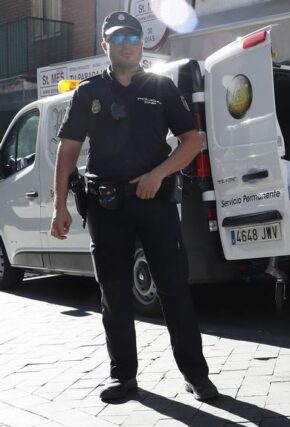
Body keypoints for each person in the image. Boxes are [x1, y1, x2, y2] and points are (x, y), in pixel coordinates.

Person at [50, 11, 218, 402]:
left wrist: (158, 175)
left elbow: (191, 141)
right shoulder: (89, 93)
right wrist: (60, 205)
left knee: (174, 289)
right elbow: (69, 148)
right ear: (105, 45)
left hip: (154, 203)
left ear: (141, 44)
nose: (126, 43)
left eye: (133, 37)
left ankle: (196, 374)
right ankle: (123, 377)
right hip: (106, 207)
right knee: (114, 293)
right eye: (117, 38)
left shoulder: (160, 87)